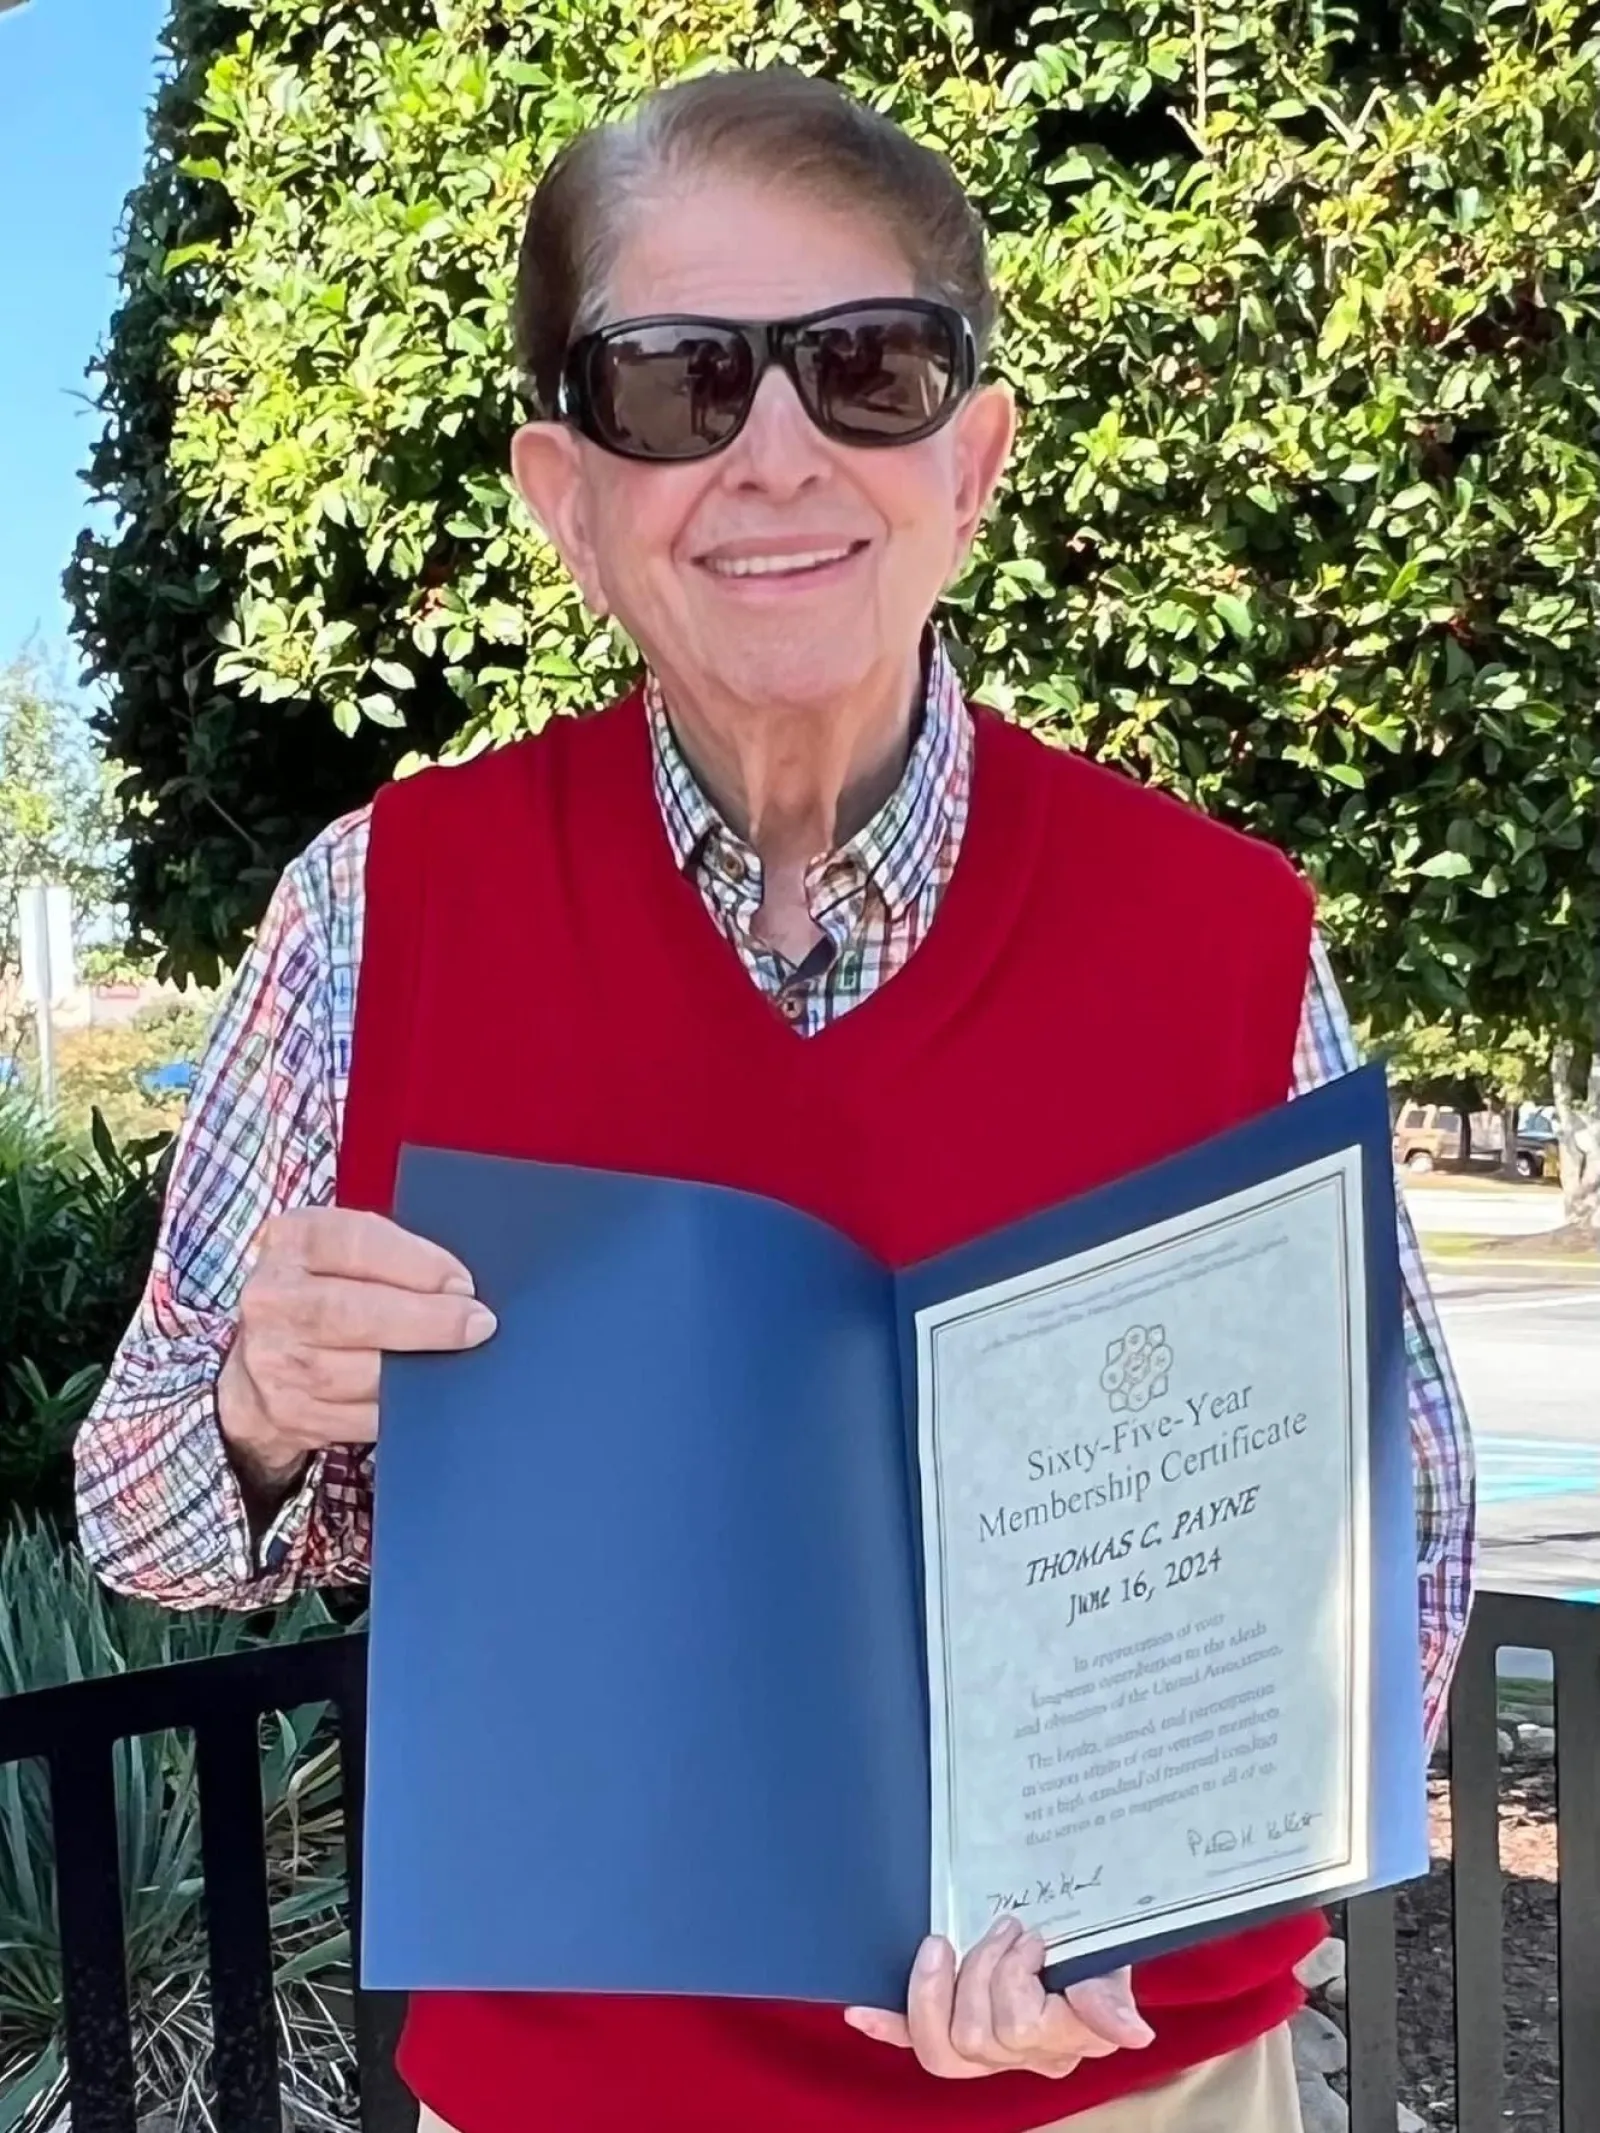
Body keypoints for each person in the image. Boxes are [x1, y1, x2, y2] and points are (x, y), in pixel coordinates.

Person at [76, 65, 1473, 2133]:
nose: (778, 452)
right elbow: (140, 1515)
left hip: (1122, 2098)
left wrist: (1163, 1894)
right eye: (674, 383)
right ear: (567, 493)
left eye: (868, 367)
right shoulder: (381, 907)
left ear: (970, 460)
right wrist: (267, 1406)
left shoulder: (1223, 930)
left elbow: (1407, 1523)